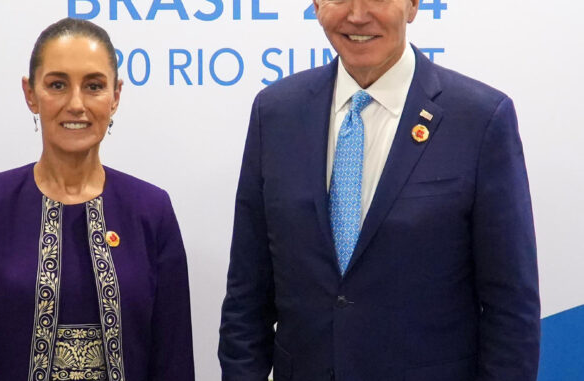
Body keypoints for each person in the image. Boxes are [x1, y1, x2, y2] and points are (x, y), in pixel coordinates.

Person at [218, 0, 540, 380]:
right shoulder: (275, 113)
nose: (357, 15)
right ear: (317, 5)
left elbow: (510, 307)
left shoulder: (480, 120)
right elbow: (246, 296)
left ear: (413, 5)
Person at [0, 18, 194, 381]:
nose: (76, 104)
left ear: (116, 96)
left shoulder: (151, 210)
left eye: (93, 86)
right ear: (31, 94)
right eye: (57, 85)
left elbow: (174, 360)